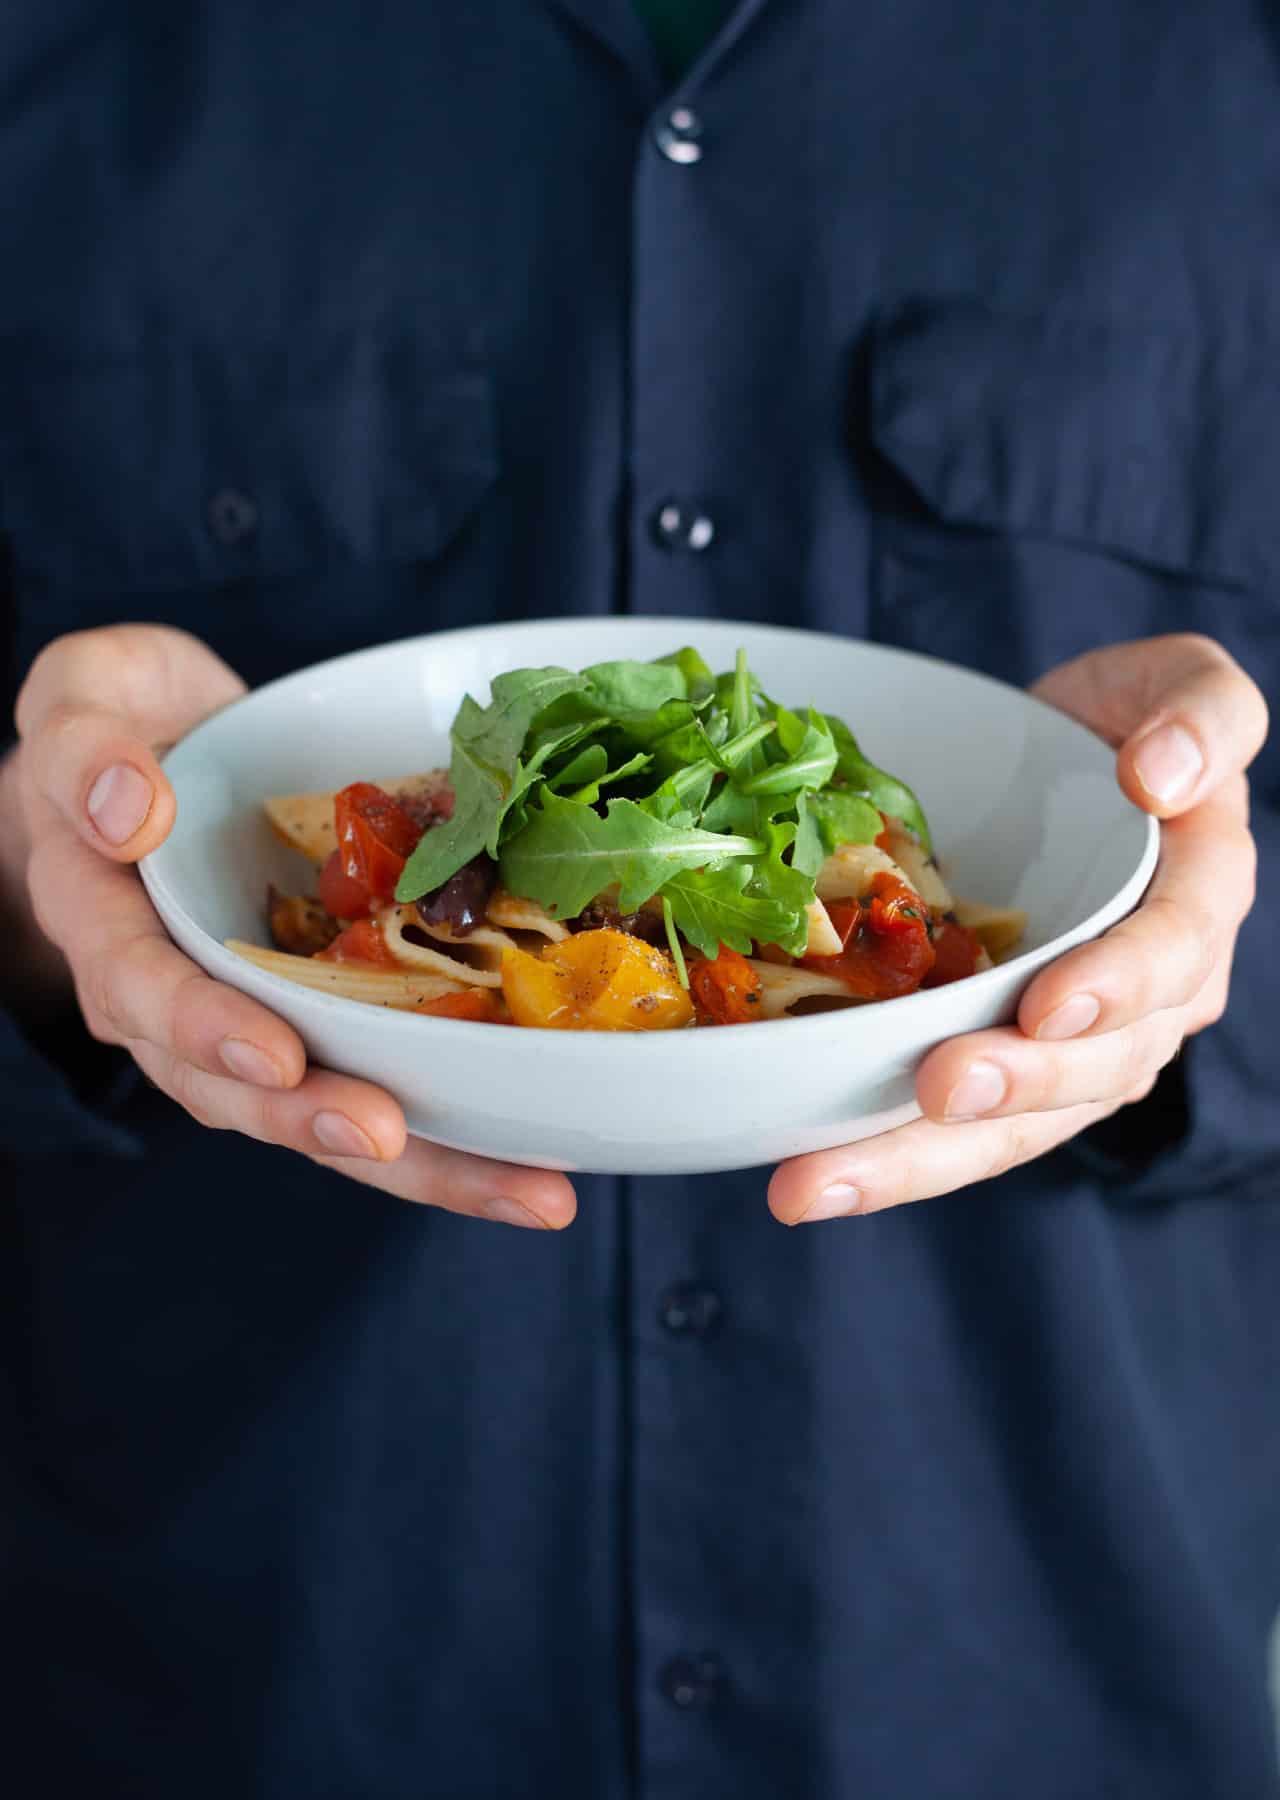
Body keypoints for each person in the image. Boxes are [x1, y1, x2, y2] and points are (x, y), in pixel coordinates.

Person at [1, 4, 1275, 1796]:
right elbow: (66, 851)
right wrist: (46, 897)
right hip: (243, 1682)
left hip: (1027, 1694)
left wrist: (1198, 921)